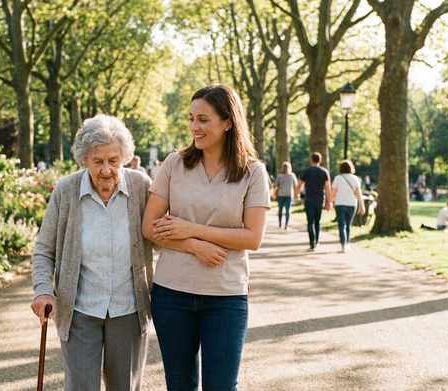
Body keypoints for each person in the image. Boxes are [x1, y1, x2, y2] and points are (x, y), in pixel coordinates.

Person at [141, 84, 270, 391]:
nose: (193, 127)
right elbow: (149, 227)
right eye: (191, 119)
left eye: (203, 119)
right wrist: (194, 245)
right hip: (172, 293)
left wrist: (192, 229)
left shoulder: (253, 173)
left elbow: (252, 237)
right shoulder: (174, 164)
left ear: (228, 122)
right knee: (180, 385)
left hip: (225, 296)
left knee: (222, 387)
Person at [30, 114, 154, 391]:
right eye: (97, 161)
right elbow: (43, 251)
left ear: (124, 157)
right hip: (80, 310)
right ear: (84, 160)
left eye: (114, 160)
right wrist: (43, 291)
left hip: (129, 308)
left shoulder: (141, 187)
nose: (106, 169)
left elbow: (162, 236)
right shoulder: (66, 191)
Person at [295, 152, 332, 251]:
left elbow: (299, 185)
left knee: (310, 222)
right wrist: (329, 202)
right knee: (317, 222)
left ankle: (312, 243)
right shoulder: (324, 172)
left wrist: (296, 194)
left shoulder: (306, 171)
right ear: (320, 161)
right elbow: (328, 188)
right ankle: (317, 241)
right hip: (320, 200)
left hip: (309, 199)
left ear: (311, 160)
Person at [330, 160, 366, 253]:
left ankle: (343, 245)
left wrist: (329, 202)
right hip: (352, 204)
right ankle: (348, 244)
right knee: (348, 225)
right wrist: (362, 205)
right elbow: (358, 193)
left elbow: (333, 192)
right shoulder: (355, 179)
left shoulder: (338, 178)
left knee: (342, 225)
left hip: (340, 204)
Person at [273, 161, 297, 230]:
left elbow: (276, 186)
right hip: (289, 195)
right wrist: (296, 194)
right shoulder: (292, 175)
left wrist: (274, 193)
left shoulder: (280, 176)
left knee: (280, 210)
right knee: (288, 210)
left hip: (281, 194)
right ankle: (286, 225)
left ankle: (280, 224)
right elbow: (296, 185)